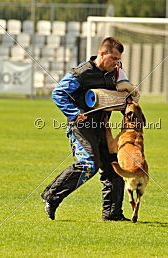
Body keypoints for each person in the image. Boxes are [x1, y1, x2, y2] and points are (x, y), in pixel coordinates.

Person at [40, 37, 139, 221]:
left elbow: (124, 95)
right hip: (81, 127)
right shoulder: (82, 73)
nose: (117, 63)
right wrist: (74, 112)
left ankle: (112, 213)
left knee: (114, 165)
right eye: (114, 59)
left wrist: (129, 102)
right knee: (88, 164)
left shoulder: (115, 73)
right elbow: (58, 93)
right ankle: (51, 197)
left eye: (119, 60)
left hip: (103, 127)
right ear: (102, 54)